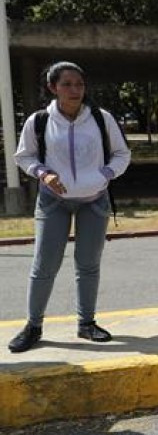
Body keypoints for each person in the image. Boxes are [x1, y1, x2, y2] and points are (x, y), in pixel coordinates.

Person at [8, 62, 131, 353]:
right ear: (53, 88)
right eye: (67, 84)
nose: (75, 90)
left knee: (88, 264)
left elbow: (122, 154)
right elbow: (24, 156)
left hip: (94, 201)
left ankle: (86, 323)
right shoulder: (39, 121)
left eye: (79, 84)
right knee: (44, 265)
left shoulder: (101, 118)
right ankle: (33, 326)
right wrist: (42, 173)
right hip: (53, 202)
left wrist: (105, 175)